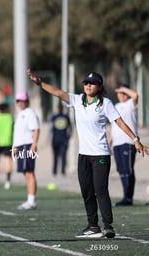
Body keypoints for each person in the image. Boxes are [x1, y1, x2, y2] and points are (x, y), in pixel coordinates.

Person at [27, 68, 148, 238]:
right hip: (83, 155)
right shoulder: (77, 100)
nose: (88, 86)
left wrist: (135, 139)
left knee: (101, 189)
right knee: (86, 190)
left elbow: (119, 122)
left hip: (100, 155)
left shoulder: (105, 103)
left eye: (92, 83)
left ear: (99, 86)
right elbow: (57, 92)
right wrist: (39, 82)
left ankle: (108, 226)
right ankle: (93, 226)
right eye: (86, 83)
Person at [110, 84, 138, 206]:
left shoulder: (131, 104)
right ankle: (125, 195)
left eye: (123, 93)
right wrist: (109, 142)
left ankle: (128, 197)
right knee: (121, 170)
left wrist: (123, 89)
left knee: (128, 170)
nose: (120, 95)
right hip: (117, 143)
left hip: (128, 142)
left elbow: (136, 95)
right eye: (119, 93)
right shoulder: (115, 106)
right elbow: (113, 127)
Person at [12, 91, 40, 210]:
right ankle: (30, 200)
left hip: (27, 145)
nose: (21, 103)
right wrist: (14, 146)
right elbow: (17, 133)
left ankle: (31, 201)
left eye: (23, 101)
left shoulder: (30, 113)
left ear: (27, 101)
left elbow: (36, 129)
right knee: (26, 173)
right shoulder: (20, 114)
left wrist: (34, 144)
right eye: (18, 101)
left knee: (29, 173)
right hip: (20, 146)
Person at [49, 101, 72, 176]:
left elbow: (50, 128)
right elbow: (70, 128)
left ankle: (55, 172)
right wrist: (68, 137)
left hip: (56, 139)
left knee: (56, 156)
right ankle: (62, 171)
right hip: (63, 139)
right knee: (63, 156)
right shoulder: (65, 117)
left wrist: (48, 138)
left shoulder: (54, 117)